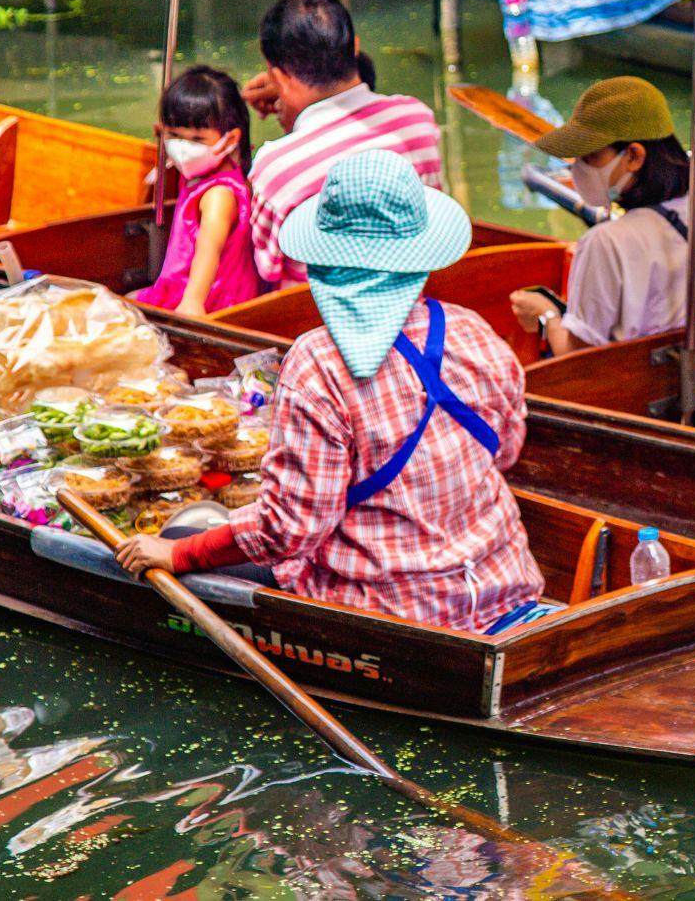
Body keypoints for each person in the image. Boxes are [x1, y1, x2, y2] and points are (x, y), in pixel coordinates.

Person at [115, 151, 546, 633]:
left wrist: (179, 550)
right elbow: (504, 452)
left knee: (181, 530)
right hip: (506, 581)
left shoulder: (319, 364)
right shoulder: (475, 332)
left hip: (391, 612)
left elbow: (288, 530)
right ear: (419, 259)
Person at [507, 77, 695, 354]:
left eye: (591, 157)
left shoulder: (604, 242)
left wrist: (548, 316)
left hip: (639, 391)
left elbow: (577, 356)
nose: (578, 170)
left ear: (634, 156)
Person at [241, 0, 444, 285]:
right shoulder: (416, 120)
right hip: (413, 292)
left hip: (315, 320)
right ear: (356, 47)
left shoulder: (274, 167)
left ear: (279, 76)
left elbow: (267, 269)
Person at [130, 67, 264, 316]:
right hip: (176, 287)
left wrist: (193, 301)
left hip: (209, 300)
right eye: (174, 136)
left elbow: (208, 249)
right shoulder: (201, 175)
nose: (183, 147)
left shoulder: (218, 195)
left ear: (231, 139)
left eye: (197, 139)